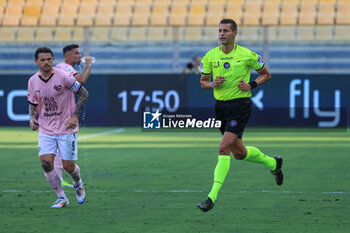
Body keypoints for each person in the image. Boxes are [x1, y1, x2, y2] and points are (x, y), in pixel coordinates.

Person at [197, 19, 284, 212]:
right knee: (240, 154)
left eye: (226, 31)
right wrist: (212, 84)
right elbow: (202, 82)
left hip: (240, 106)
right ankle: (273, 163)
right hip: (220, 107)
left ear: (235, 33)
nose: (221, 34)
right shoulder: (210, 56)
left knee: (223, 147)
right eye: (219, 30)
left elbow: (266, 74)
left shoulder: (247, 55)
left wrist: (252, 85)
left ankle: (211, 197)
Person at [28, 47, 89, 208]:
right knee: (46, 164)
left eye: (49, 59)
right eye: (42, 60)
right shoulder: (33, 81)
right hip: (46, 130)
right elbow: (33, 103)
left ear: (53, 60)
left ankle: (78, 183)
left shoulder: (63, 77)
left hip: (65, 128)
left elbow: (84, 94)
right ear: (36, 62)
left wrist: (75, 116)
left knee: (69, 167)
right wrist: (32, 118)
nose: (46, 62)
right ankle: (61, 197)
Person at [54, 44, 94, 188]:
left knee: (58, 150)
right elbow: (81, 80)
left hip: (57, 113)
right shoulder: (64, 67)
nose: (79, 56)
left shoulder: (63, 67)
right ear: (68, 56)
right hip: (58, 115)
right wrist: (88, 65)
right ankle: (61, 181)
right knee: (57, 150)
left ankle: (59, 180)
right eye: (76, 53)